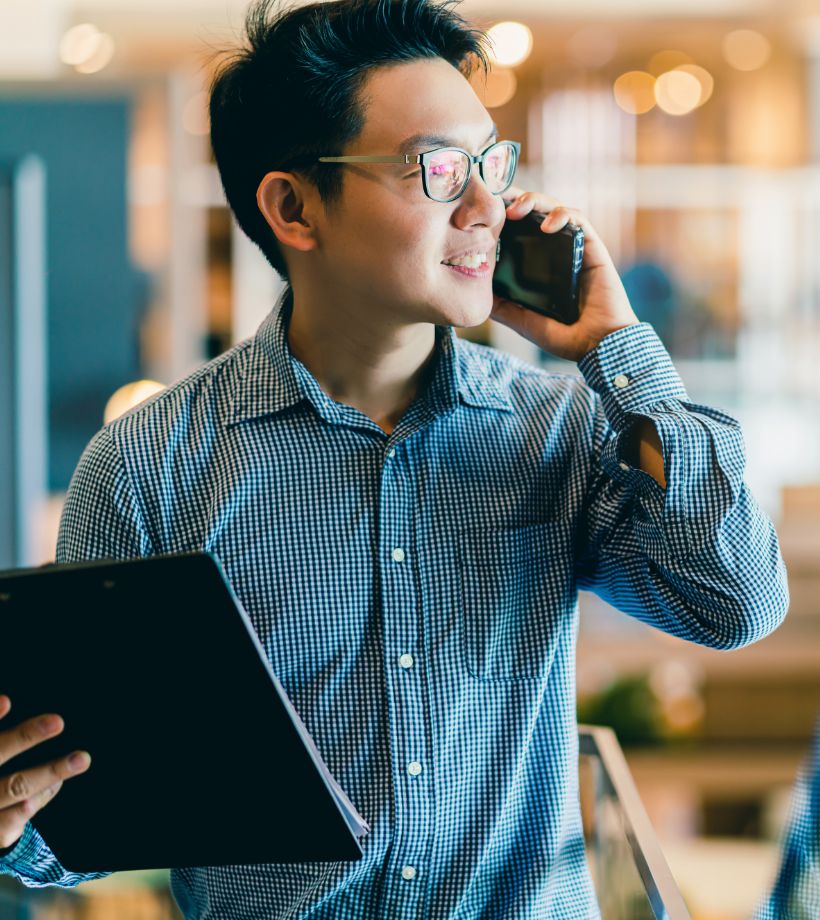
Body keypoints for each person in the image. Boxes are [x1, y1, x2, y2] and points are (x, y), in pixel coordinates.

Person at [0, 0, 790, 916]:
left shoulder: (557, 427)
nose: (491, 208)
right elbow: (93, 808)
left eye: (492, 164)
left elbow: (736, 604)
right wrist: (22, 823)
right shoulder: (153, 465)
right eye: (440, 170)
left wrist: (620, 349)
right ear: (293, 207)